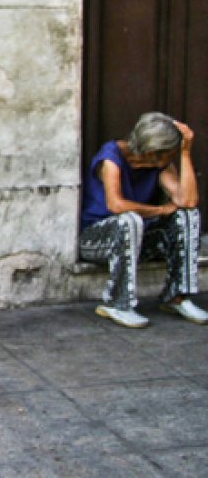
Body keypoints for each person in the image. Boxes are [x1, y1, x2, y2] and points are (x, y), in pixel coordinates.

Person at [79, 111, 207, 328]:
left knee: (187, 215)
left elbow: (188, 201)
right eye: (172, 153)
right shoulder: (111, 157)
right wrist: (160, 210)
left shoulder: (160, 164)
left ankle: (177, 297)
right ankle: (118, 304)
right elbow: (116, 205)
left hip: (137, 241)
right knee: (128, 219)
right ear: (152, 152)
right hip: (97, 241)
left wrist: (186, 153)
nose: (172, 157)